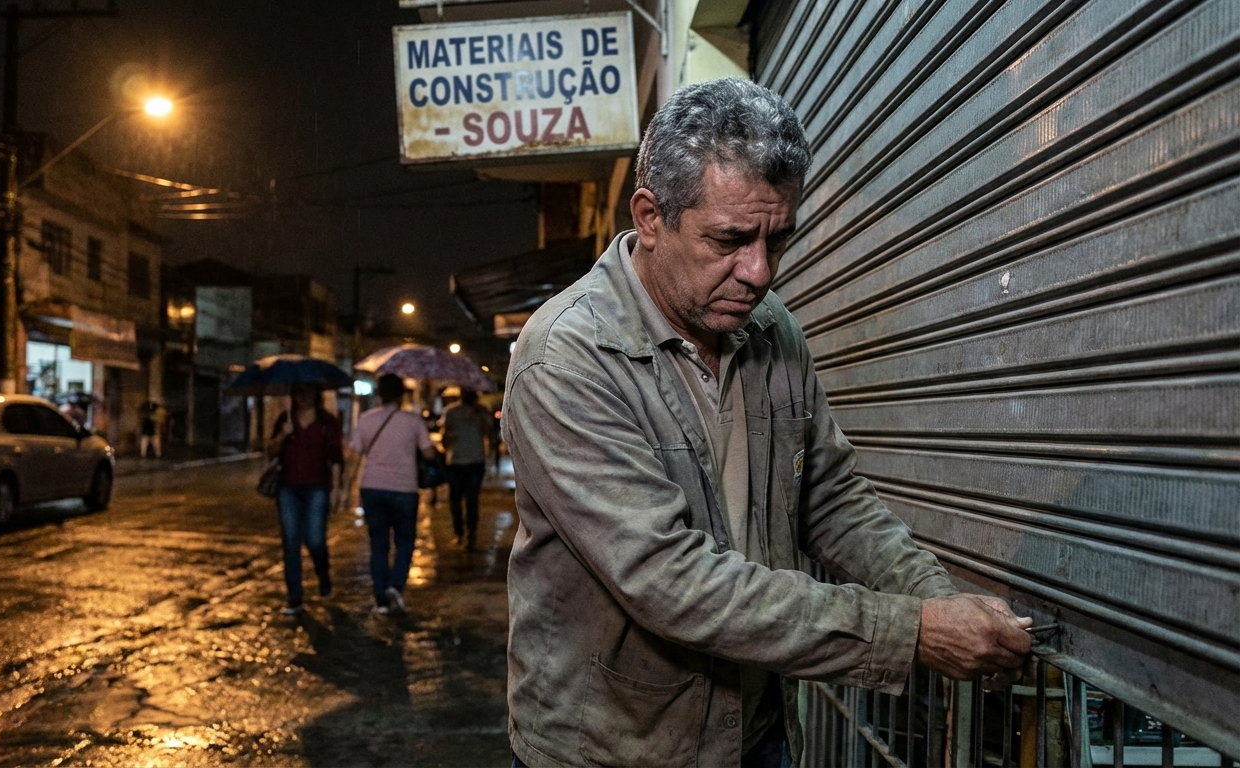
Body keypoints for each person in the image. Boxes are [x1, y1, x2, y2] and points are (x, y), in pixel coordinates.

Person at [502, 78, 1033, 768]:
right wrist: (911, 632)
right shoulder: (567, 358)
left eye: (776, 240)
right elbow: (670, 581)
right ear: (650, 215)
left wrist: (933, 595)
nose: (758, 273)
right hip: (614, 748)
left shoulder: (769, 327)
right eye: (729, 239)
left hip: (753, 734)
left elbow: (832, 499)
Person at [349, 373, 437, 615]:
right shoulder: (414, 421)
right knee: (405, 542)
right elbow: (429, 454)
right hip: (404, 490)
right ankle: (396, 586)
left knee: (378, 545)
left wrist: (345, 488)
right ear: (401, 395)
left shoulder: (366, 420)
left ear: (379, 394)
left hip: (372, 488)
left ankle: (380, 600)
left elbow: (354, 456)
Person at [268, 383, 344, 616]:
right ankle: (295, 597)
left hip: (317, 488)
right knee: (290, 542)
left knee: (315, 540)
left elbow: (336, 457)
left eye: (306, 391)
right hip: (288, 489)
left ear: (315, 394)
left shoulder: (326, 421)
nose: (302, 396)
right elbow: (271, 451)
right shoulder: (285, 419)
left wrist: (337, 489)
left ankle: (323, 574)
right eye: (297, 392)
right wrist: (284, 434)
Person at [439, 388, 493, 550]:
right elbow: (489, 434)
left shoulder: (456, 411)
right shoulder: (452, 412)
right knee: (467, 500)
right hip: (467, 461)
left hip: (464, 462)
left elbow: (489, 432)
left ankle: (465, 535)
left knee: (463, 500)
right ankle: (466, 534)